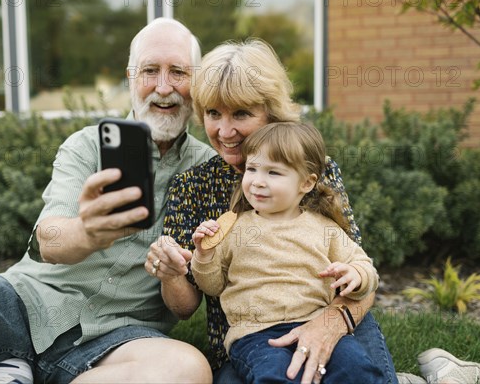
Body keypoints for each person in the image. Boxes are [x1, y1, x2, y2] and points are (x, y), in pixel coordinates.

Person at [0, 17, 215, 383]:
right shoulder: (87, 145)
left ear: (197, 82)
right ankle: (7, 368)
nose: (163, 87)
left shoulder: (209, 170)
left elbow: (185, 306)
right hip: (24, 304)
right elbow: (49, 239)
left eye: (178, 73)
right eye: (150, 71)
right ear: (130, 79)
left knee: (187, 370)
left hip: (121, 340)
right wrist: (87, 232)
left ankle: (1, 373)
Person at [145, 38, 399, 384]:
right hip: (250, 338)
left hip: (332, 316)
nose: (225, 130)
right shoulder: (192, 186)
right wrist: (173, 273)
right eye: (213, 113)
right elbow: (186, 304)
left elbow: (357, 271)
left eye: (242, 113)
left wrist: (326, 325)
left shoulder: (313, 168)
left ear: (271, 113)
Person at [190, 122, 384, 383]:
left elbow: (363, 264)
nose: (258, 181)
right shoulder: (233, 227)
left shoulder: (324, 228)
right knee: (275, 376)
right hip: (256, 335)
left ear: (306, 182)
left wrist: (356, 274)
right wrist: (203, 256)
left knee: (356, 369)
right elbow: (212, 286)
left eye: (273, 173)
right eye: (252, 169)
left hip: (317, 323)